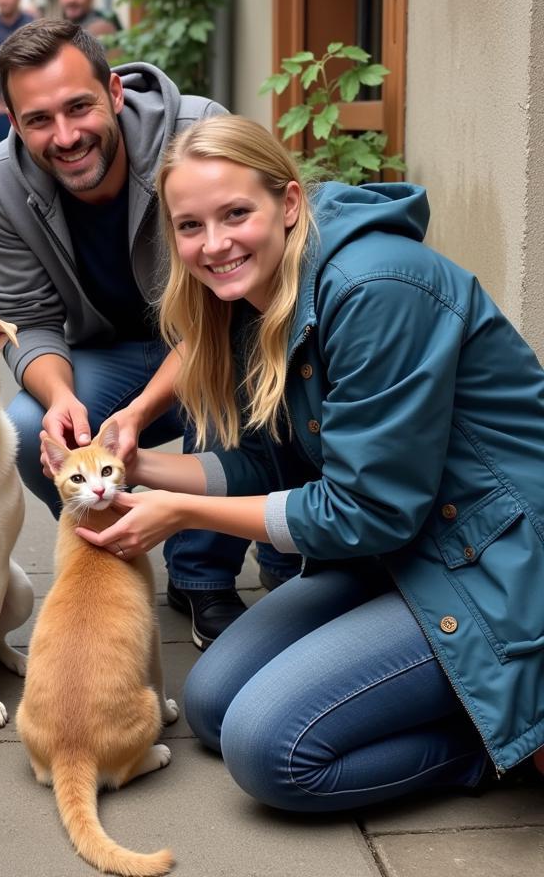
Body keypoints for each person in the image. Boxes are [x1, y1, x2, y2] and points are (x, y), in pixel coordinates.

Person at [78, 113, 544, 810]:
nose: (214, 245)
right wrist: (139, 468)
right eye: (190, 226)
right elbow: (278, 474)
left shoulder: (373, 289)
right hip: (400, 552)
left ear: (289, 203)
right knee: (209, 703)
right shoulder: (255, 298)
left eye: (237, 213)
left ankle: (497, 740)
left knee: (272, 751)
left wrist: (180, 516)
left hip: (491, 565)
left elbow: (367, 510)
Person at [0, 19, 301, 648]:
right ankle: (125, 544)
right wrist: (60, 397)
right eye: (39, 119)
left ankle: (202, 573)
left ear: (116, 92)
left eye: (79, 107)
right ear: (15, 124)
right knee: (22, 427)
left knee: (219, 383)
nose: (65, 136)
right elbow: (29, 316)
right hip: (107, 350)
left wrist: (141, 409)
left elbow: (229, 304)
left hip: (214, 333)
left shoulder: (194, 133)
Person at [0, 0, 35, 143]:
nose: (3, 0)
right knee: (5, 156)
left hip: (31, 102)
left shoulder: (32, 26)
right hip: (0, 108)